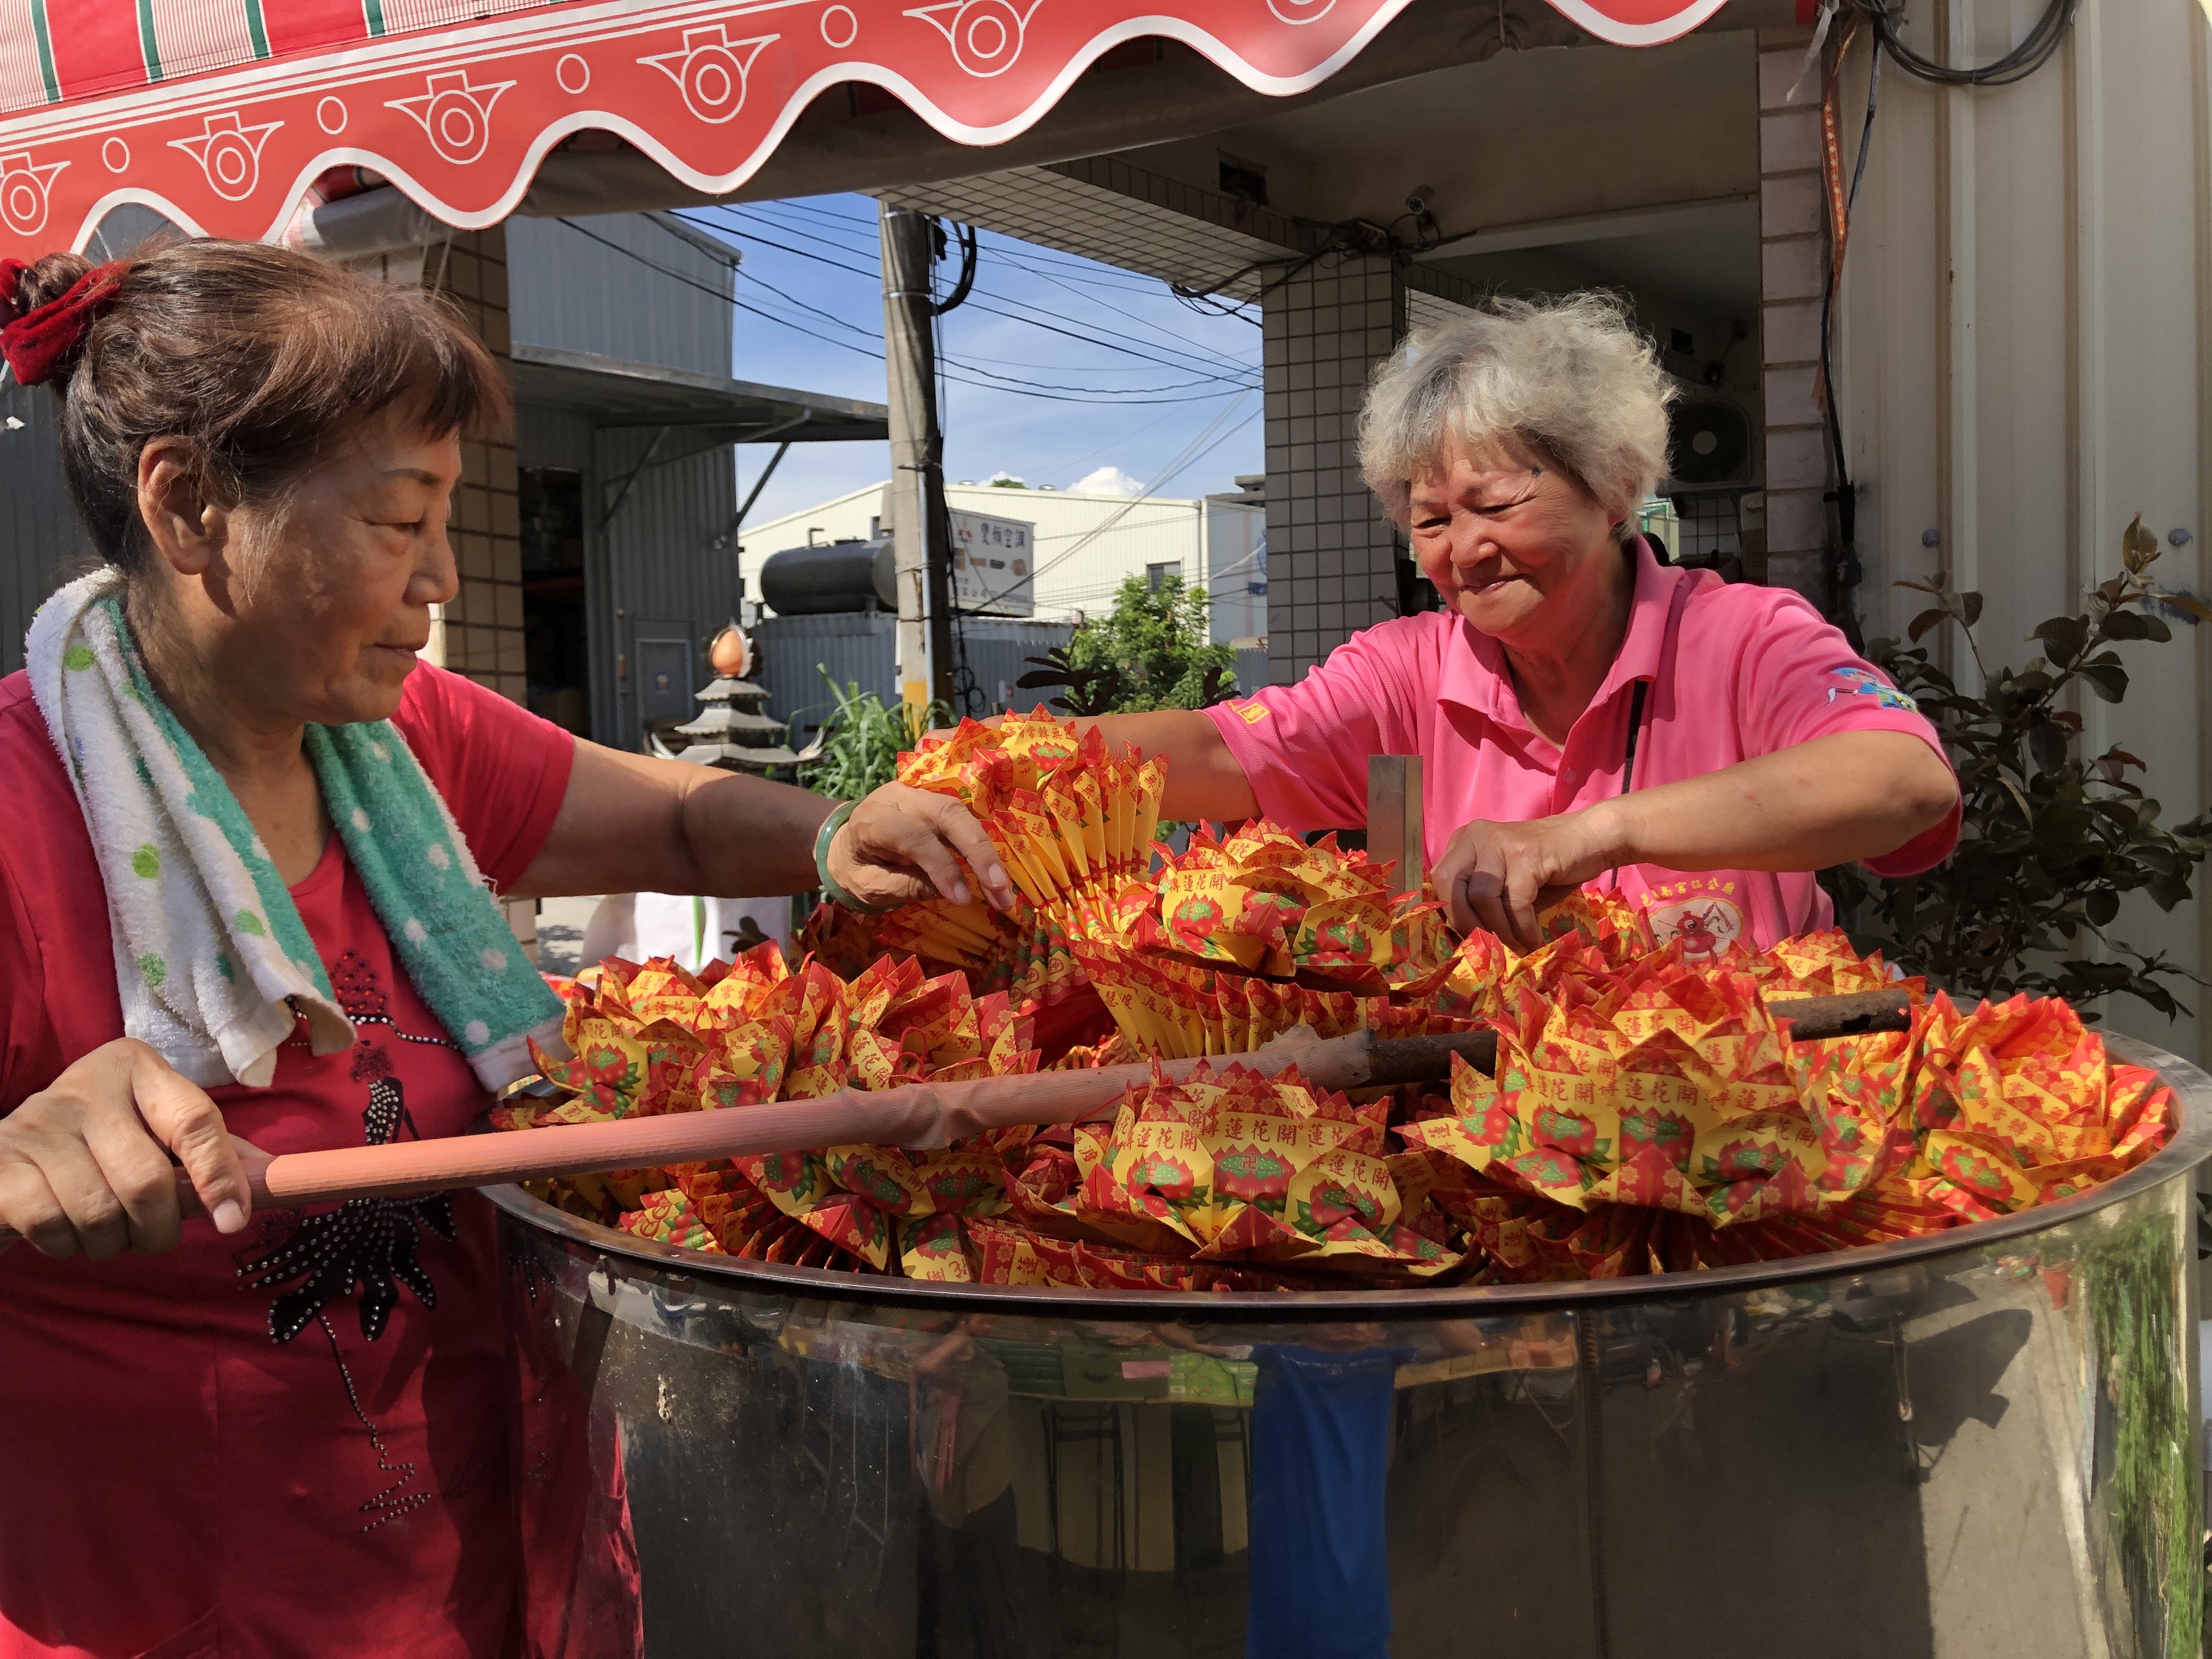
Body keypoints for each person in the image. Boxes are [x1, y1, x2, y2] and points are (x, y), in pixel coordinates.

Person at [0, 242, 999, 1657]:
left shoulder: (400, 747)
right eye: (400, 522)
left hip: (487, 1578)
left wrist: (841, 829)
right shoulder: (20, 818)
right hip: (175, 1616)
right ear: (190, 504)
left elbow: (686, 832)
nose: (442, 582)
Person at [828, 294, 1960, 955]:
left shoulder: (1745, 637)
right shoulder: (1406, 674)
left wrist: (1593, 833)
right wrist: (980, 772)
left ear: (1616, 485)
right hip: (1501, 1173)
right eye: (1428, 519)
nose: (1462, 551)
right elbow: (1226, 750)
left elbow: (1904, 784)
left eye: (1499, 503)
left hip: (1745, 1162)